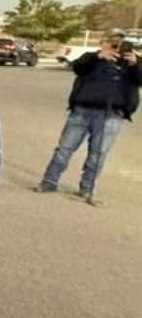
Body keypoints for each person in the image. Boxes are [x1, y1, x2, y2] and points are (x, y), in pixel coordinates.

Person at [34, 28, 140, 205]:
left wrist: (135, 64)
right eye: (111, 41)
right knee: (64, 149)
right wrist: (99, 56)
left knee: (97, 154)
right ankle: (49, 182)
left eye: (119, 42)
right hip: (82, 111)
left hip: (111, 115)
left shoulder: (132, 62)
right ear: (102, 42)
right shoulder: (91, 58)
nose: (115, 46)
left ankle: (87, 189)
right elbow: (77, 67)